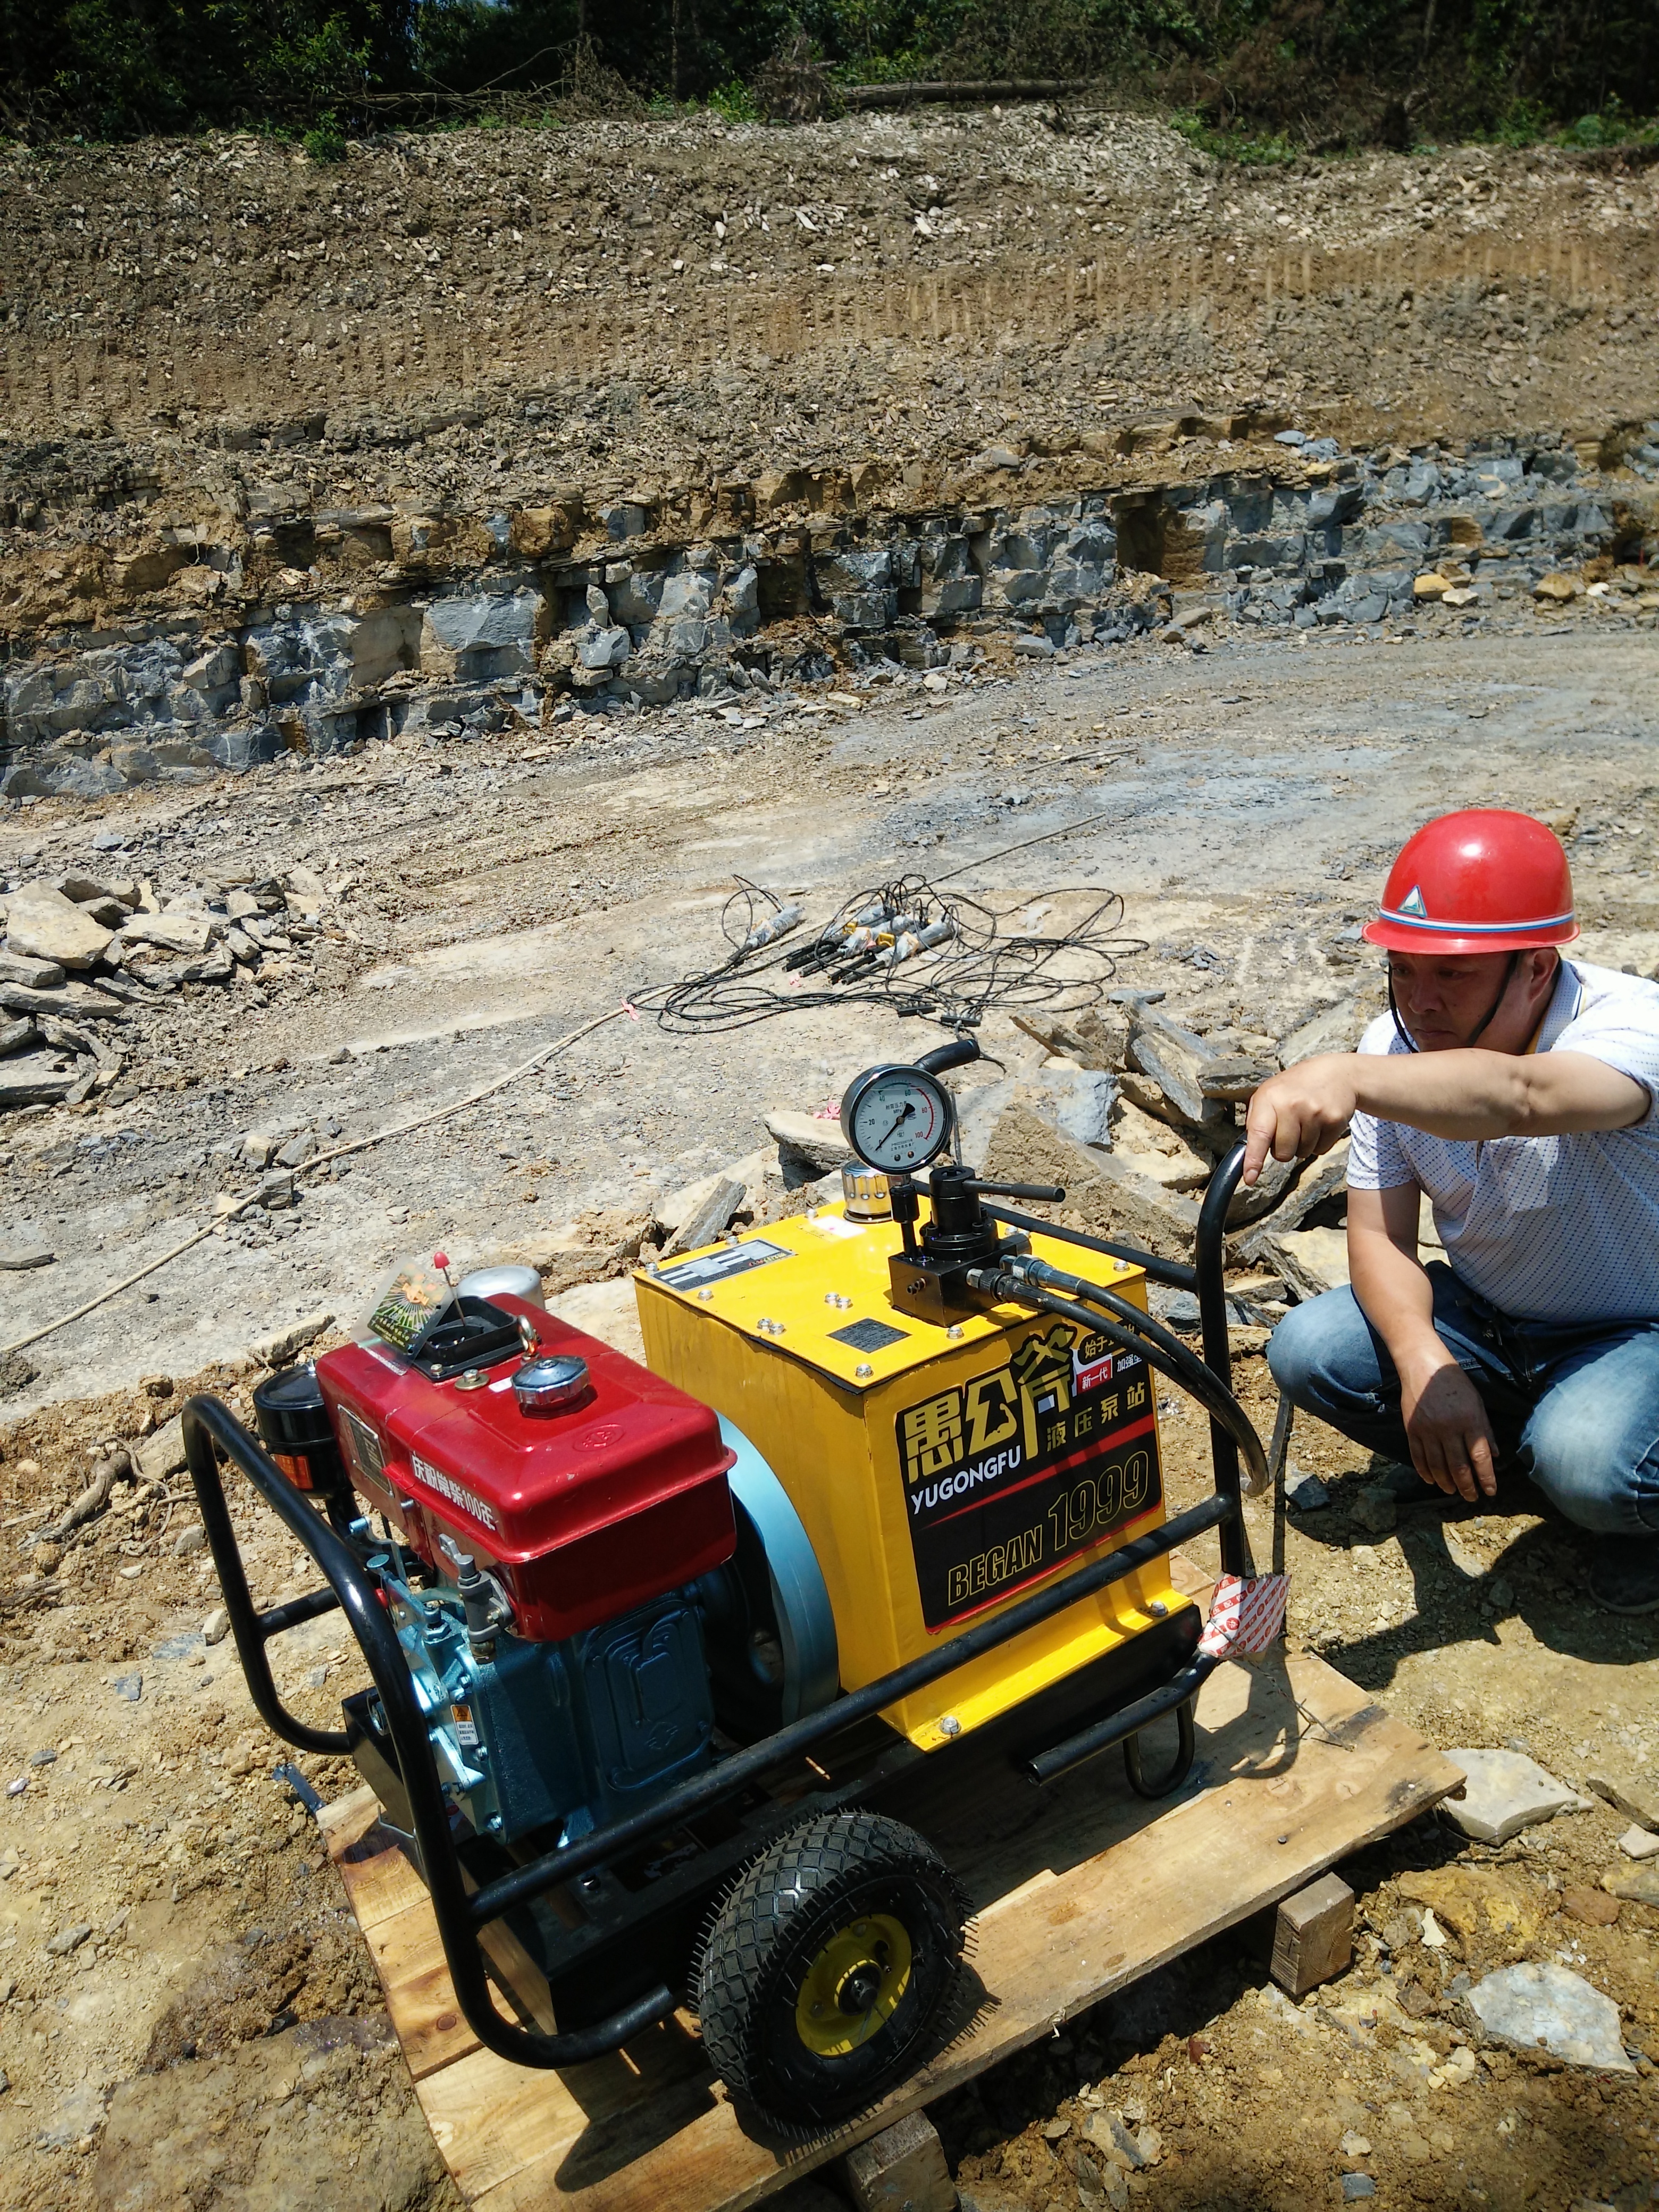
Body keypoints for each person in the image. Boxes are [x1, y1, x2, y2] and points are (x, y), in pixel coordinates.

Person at [1249, 808, 1659, 1614]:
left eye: (1453, 975)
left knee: (1591, 1462)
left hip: (1637, 1329)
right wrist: (1425, 1364)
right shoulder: (1393, 1048)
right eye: (1404, 970)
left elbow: (1519, 1096)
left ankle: (1618, 1501)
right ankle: (1510, 1462)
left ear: (1537, 967)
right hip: (1497, 1319)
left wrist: (1347, 1075)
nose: (1421, 1000)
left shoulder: (1631, 1027)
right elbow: (1377, 1234)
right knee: (1310, 1348)